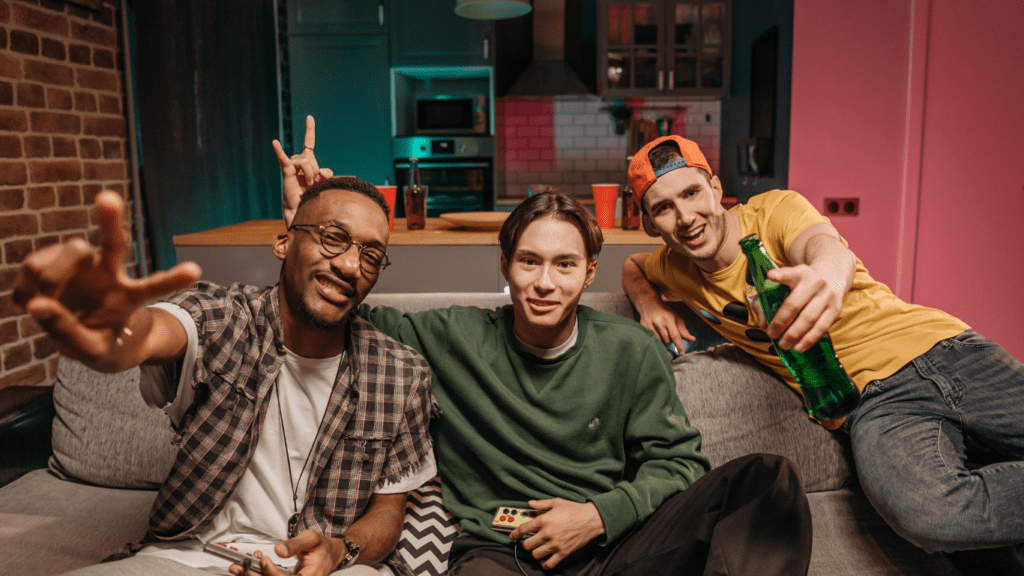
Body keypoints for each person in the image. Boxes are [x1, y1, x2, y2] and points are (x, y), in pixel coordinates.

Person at [276, 141, 813, 574]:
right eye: (529, 261)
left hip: (617, 546)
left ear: (589, 272)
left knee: (770, 481)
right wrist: (312, 221)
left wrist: (600, 515)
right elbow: (342, 309)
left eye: (564, 264)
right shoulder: (449, 336)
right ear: (506, 266)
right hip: (502, 553)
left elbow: (680, 464)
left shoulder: (631, 349)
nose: (545, 283)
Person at [621, 134, 1024, 573]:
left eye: (692, 193)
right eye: (663, 208)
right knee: (932, 517)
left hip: (940, 351)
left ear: (715, 189)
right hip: (873, 408)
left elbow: (825, 247)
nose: (685, 217)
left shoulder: (774, 211)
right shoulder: (673, 267)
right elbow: (634, 266)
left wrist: (827, 281)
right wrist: (647, 303)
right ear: (649, 223)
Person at [14, 173, 436, 576]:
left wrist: (339, 550)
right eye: (333, 238)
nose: (349, 265)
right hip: (189, 559)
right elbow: (151, 333)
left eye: (371, 256)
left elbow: (387, 511)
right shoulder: (224, 320)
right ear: (284, 242)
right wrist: (114, 329)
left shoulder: (400, 374)